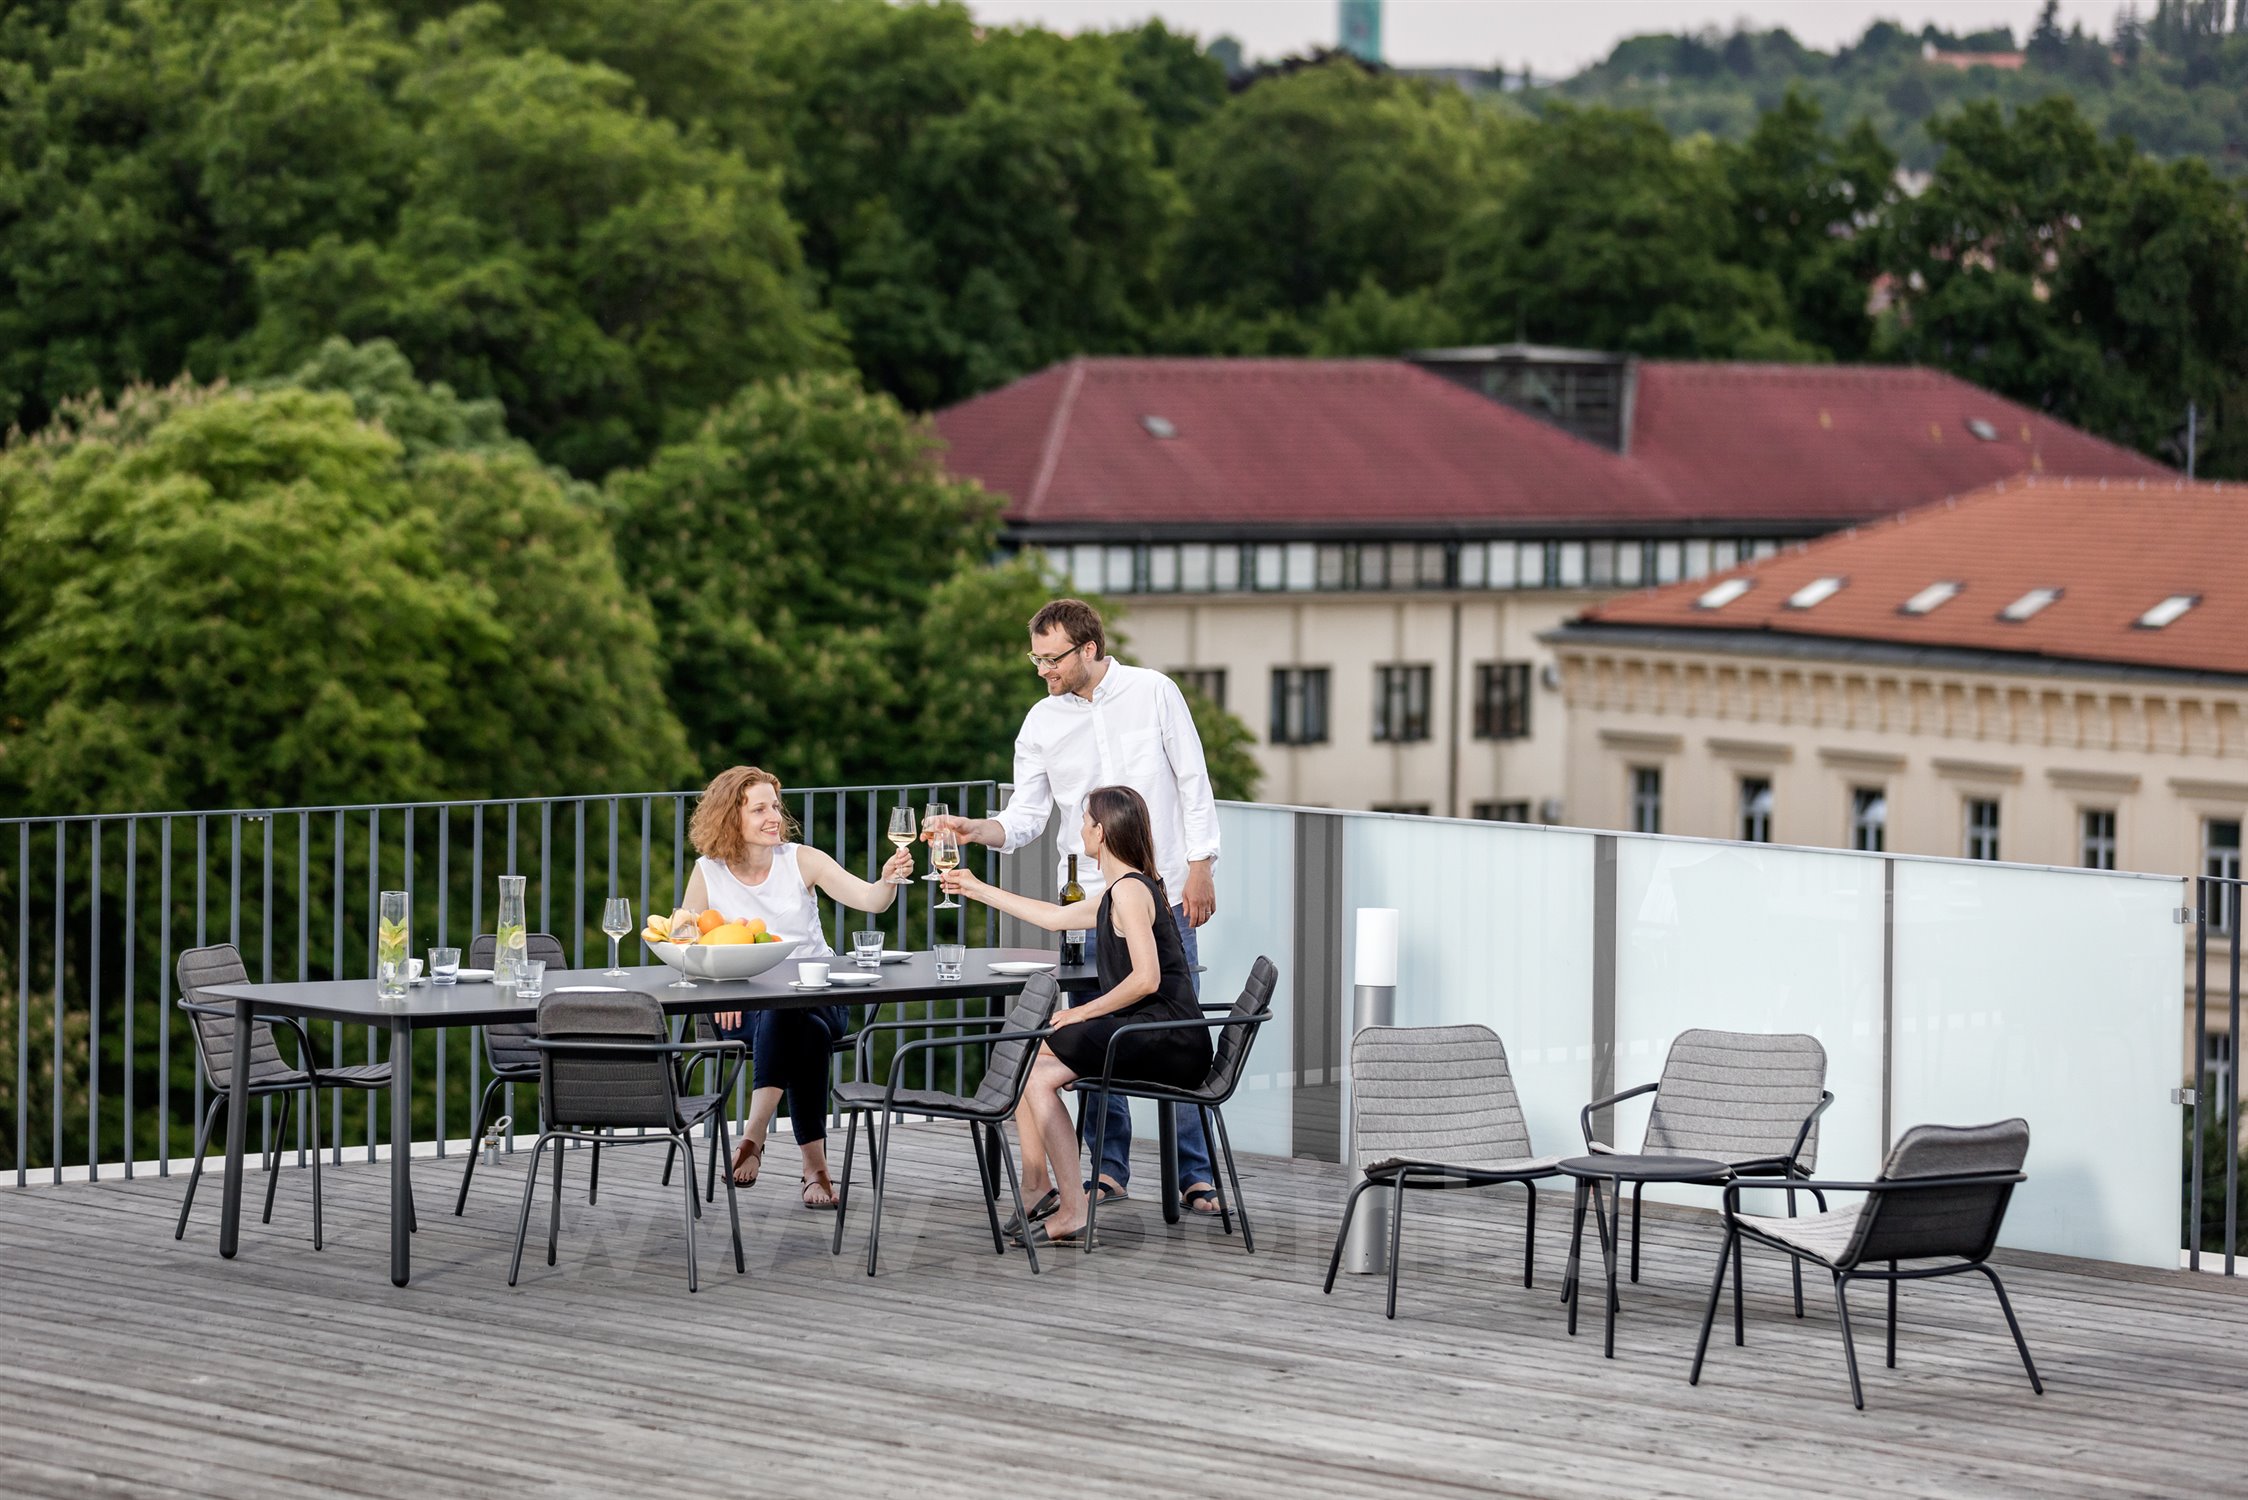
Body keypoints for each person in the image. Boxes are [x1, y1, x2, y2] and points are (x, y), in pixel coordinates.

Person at [930, 598, 1224, 1216]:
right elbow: (1025, 817)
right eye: (1035, 659)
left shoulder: (1154, 692)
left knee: (1173, 1022)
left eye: (1052, 658)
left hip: (1165, 893)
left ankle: (1194, 1175)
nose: (1043, 670)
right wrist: (975, 830)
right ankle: (1107, 1170)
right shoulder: (1041, 721)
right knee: (1092, 1039)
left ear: (1088, 648)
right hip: (1089, 902)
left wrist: (1202, 865)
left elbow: (1193, 781)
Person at [942, 786, 1209, 1247]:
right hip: (1151, 1031)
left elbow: (1146, 979)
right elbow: (1052, 918)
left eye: (1084, 822)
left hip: (1168, 1038)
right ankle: (1044, 1190)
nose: (1079, 830)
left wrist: (1082, 1011)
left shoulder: (1130, 892)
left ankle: (1065, 1204)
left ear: (1101, 833)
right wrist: (975, 888)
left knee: (1033, 1066)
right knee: (1032, 1065)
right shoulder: (1122, 890)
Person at [673, 765, 913, 1210]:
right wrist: (719, 986)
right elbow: (684, 942)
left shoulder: (802, 859)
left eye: (775, 807)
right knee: (803, 1030)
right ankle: (814, 1169)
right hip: (740, 1009)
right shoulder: (707, 872)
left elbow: (870, 901)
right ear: (730, 816)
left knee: (792, 1011)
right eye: (759, 809)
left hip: (820, 999)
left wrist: (888, 879)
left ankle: (753, 1134)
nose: (774, 818)